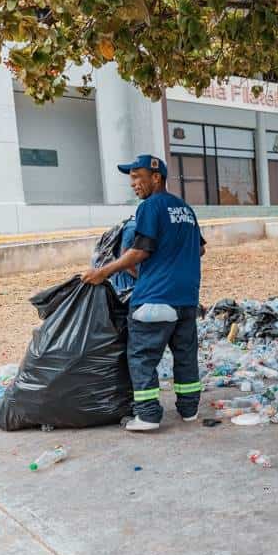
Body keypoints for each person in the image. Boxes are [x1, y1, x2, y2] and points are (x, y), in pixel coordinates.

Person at [82, 154, 205, 432]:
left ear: (156, 178)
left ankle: (148, 415)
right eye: (131, 179)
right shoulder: (185, 209)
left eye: (138, 178)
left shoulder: (150, 207)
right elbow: (199, 249)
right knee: (185, 355)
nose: (133, 184)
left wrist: (103, 272)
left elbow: (139, 251)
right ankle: (189, 410)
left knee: (141, 357)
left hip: (155, 298)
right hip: (186, 299)